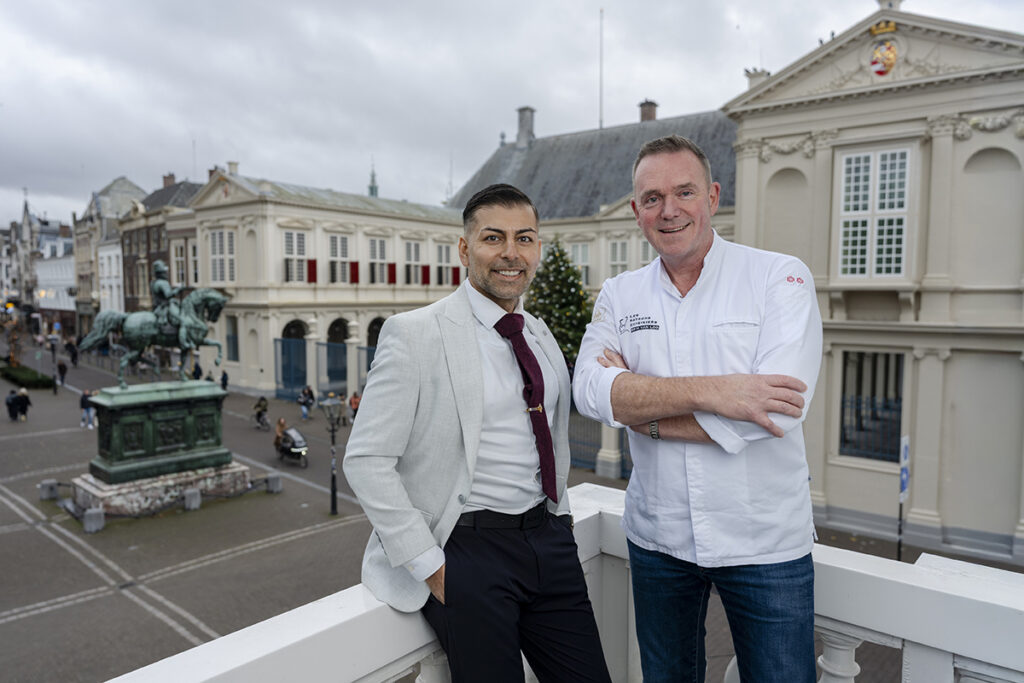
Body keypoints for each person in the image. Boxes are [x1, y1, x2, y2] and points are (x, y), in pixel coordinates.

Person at [573, 135, 823, 683]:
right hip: (659, 539)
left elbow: (777, 412)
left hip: (765, 544)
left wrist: (646, 410)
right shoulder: (620, 293)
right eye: (652, 197)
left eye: (684, 192)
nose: (670, 210)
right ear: (637, 210)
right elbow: (590, 391)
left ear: (710, 195)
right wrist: (721, 390)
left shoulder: (780, 277)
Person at [343, 184, 610, 683]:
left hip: (547, 543)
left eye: (525, 239)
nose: (511, 253)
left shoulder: (538, 331)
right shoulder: (415, 334)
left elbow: (550, 436)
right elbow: (366, 460)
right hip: (466, 553)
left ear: (538, 248)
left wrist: (562, 521)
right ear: (465, 249)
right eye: (494, 238)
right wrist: (432, 567)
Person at [151, 259, 187, 349]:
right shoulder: (163, 283)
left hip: (158, 307)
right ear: (161, 272)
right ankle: (183, 343)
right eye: (165, 271)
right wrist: (179, 289)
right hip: (165, 307)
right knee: (183, 321)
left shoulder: (154, 282)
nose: (166, 273)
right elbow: (168, 295)